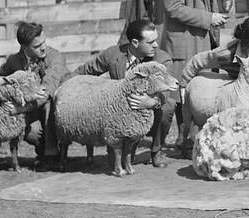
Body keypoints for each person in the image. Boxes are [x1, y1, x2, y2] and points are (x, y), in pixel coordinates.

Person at [131, 16, 249, 162]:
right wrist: (184, 86)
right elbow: (197, 61)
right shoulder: (228, 53)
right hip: (239, 88)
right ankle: (201, 143)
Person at [156, 0, 229, 152]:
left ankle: (195, 139)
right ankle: (184, 140)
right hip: (183, 42)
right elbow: (174, 8)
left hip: (200, 40)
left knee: (200, 92)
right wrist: (208, 18)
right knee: (183, 94)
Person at [73, 19, 177, 167]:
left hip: (146, 107)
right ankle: (120, 147)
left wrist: (152, 102)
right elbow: (86, 70)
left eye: (155, 40)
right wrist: (66, 86)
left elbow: (165, 91)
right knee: (114, 163)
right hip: (117, 112)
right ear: (135, 43)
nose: (155, 45)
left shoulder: (161, 59)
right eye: (150, 42)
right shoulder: (113, 54)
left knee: (167, 107)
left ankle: (156, 150)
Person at [0, 21, 68, 171]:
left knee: (49, 104)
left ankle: (53, 154)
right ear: (24, 48)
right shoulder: (14, 61)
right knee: (33, 133)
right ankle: (42, 154)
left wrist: (19, 109)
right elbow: (1, 75)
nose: (43, 47)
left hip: (58, 109)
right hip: (33, 110)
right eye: (37, 46)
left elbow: (46, 91)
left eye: (44, 42)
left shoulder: (55, 57)